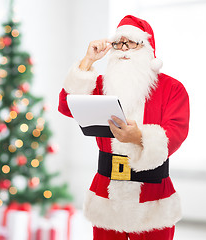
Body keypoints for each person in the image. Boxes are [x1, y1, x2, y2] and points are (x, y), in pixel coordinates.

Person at [58, 15, 189, 240]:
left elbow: (176, 133)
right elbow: (66, 105)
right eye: (118, 43)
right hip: (107, 197)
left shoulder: (172, 88)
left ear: (147, 48)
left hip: (152, 198)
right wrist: (88, 61)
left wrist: (140, 137)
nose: (124, 49)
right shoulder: (99, 84)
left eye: (132, 42)